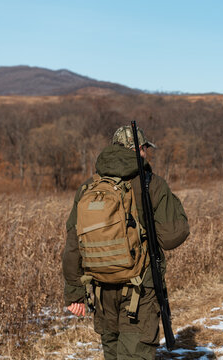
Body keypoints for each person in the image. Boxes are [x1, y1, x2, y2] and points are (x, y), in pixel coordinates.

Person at [62, 125, 190, 360]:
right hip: (140, 288)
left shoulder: (89, 187)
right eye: (145, 149)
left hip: (100, 289)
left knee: (113, 352)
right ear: (140, 149)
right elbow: (172, 237)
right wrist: (173, 203)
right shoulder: (151, 184)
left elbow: (73, 243)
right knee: (134, 354)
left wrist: (74, 293)